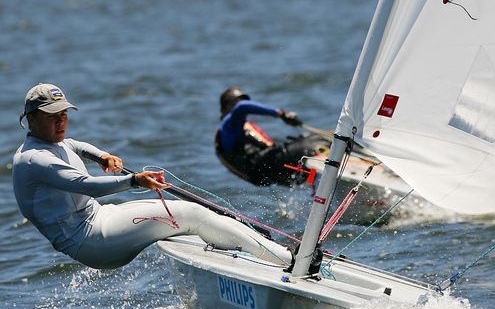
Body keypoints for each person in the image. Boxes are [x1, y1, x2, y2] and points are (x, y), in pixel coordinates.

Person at [12, 83, 291, 270]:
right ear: (31, 119)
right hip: (91, 240)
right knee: (192, 214)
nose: (61, 121)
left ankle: (264, 252)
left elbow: (76, 145)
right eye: (52, 116)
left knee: (194, 213)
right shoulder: (36, 159)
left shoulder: (52, 141)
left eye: (64, 114)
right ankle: (286, 261)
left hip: (100, 220)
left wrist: (102, 156)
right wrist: (134, 180)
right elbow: (88, 187)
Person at [215, 87, 330, 186]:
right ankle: (337, 156)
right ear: (223, 109)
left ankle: (322, 184)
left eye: (243, 100)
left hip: (270, 173)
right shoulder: (228, 126)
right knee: (313, 142)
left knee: (307, 159)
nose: (238, 104)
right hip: (263, 166)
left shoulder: (241, 128)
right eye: (233, 103)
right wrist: (281, 114)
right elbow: (241, 107)